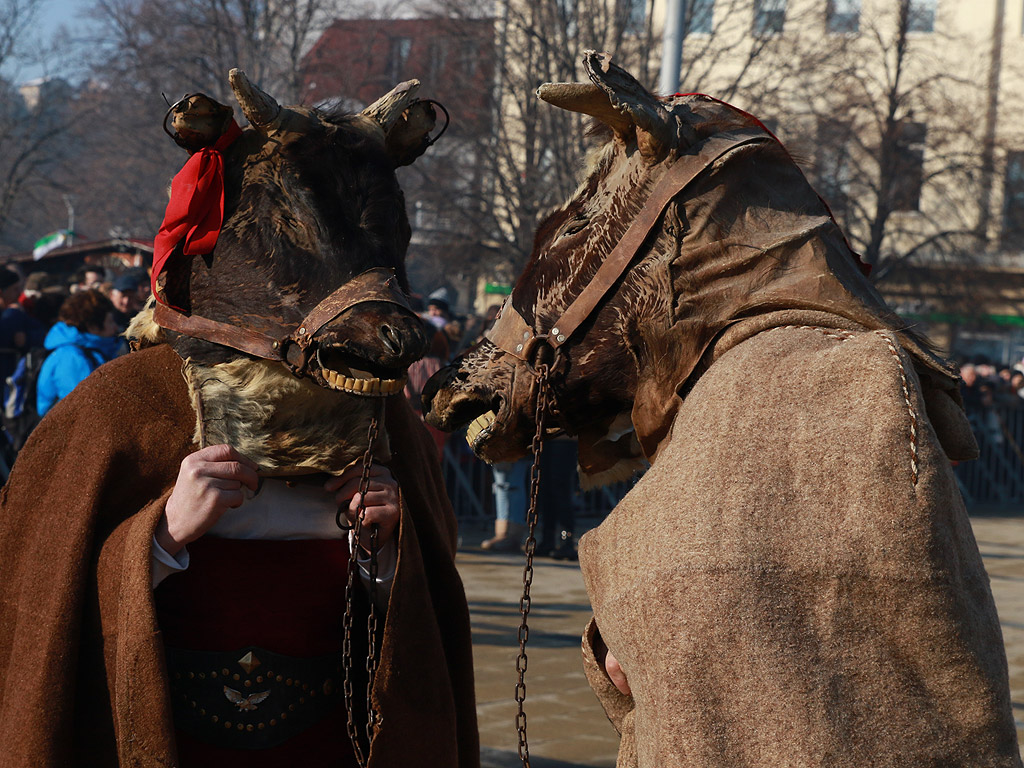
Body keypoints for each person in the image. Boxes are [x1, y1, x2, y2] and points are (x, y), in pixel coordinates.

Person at [35, 289, 121, 417]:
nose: (115, 327)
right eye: (110, 321)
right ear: (92, 326)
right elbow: (83, 410)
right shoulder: (72, 357)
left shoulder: (86, 350)